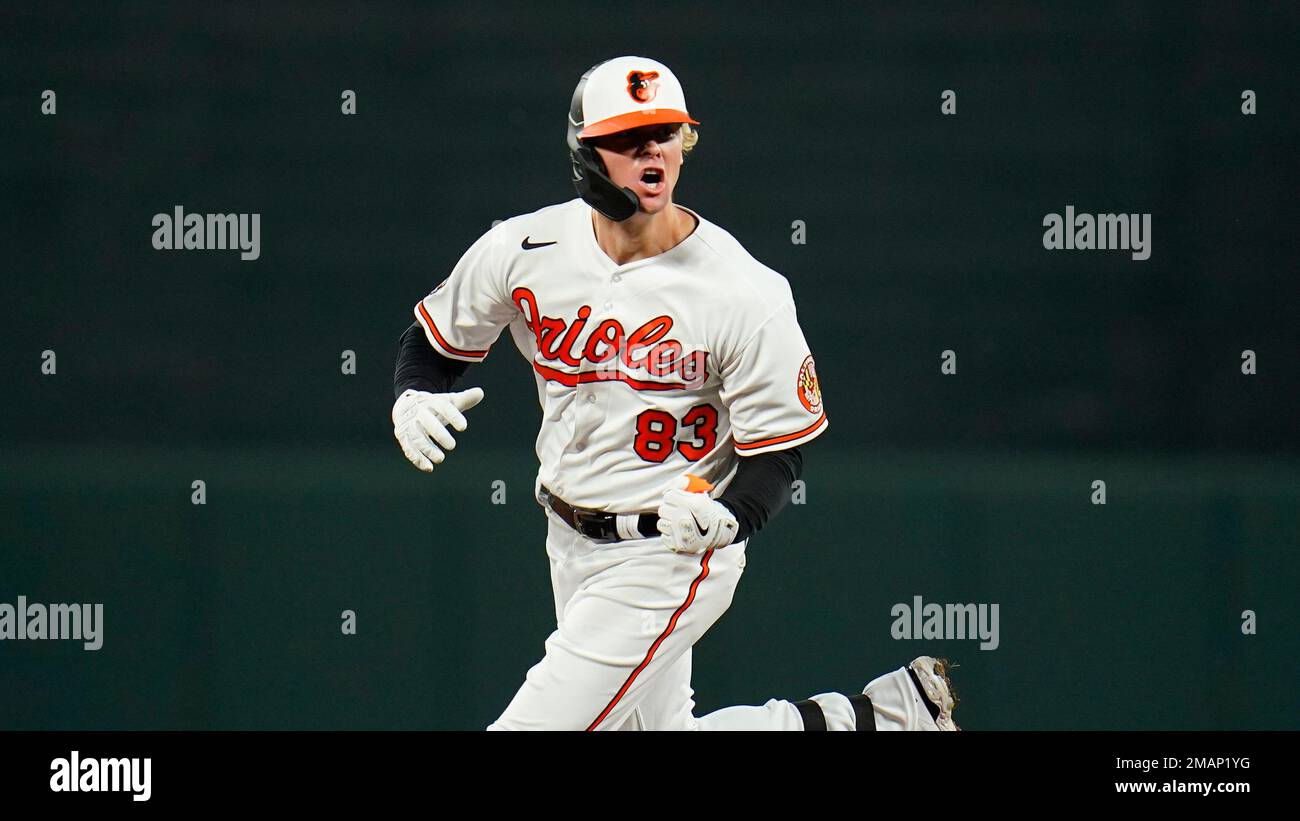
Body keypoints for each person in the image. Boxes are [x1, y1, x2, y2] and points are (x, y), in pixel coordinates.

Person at [391, 56, 958, 731]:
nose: (653, 150)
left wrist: (734, 516)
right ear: (585, 152)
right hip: (567, 534)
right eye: (630, 137)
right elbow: (434, 345)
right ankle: (881, 720)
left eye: (667, 133)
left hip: (672, 547)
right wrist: (414, 395)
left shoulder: (742, 290)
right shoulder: (526, 247)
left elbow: (782, 450)